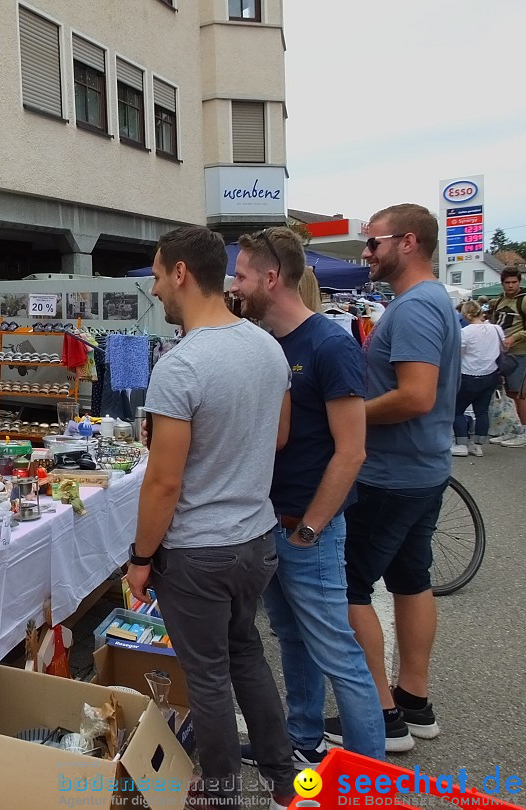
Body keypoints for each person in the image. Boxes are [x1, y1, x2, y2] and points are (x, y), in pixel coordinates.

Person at [125, 226, 295, 810]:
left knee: (209, 677)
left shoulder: (182, 365)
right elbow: (278, 435)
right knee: (245, 653)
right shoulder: (266, 344)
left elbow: (164, 481)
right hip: (254, 537)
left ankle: (220, 795)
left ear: (179, 274)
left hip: (198, 550)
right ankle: (282, 784)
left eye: (154, 274)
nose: (152, 288)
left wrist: (141, 559)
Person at [230, 228, 383, 768]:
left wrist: (310, 528)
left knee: (340, 655)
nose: (235, 284)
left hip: (306, 528)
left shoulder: (330, 345)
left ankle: (368, 780)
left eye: (243, 275)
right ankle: (304, 741)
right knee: (292, 639)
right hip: (275, 524)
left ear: (272, 279)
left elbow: (352, 452)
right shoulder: (270, 344)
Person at [324, 204, 459, 753]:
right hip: (422, 470)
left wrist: (350, 415)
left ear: (407, 242)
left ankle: (381, 716)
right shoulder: (428, 302)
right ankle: (413, 702)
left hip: (391, 474)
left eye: (372, 242)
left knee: (351, 588)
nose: (365, 252)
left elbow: (417, 395)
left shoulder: (415, 309)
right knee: (411, 579)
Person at [452, 300, 502, 457]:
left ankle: (462, 444)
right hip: (491, 374)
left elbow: (459, 353)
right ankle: (478, 444)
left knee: (457, 410)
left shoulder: (465, 332)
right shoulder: (497, 329)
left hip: (469, 375)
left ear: (466, 314)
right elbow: (502, 348)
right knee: (482, 411)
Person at [489, 266, 526, 447]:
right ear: (502, 283)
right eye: (507, 282)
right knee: (510, 394)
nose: (511, 286)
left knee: (521, 394)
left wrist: (515, 337)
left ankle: (524, 432)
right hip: (504, 355)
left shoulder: (524, 300)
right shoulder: (499, 301)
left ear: (519, 282)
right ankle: (514, 429)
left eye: (514, 282)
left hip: (521, 353)